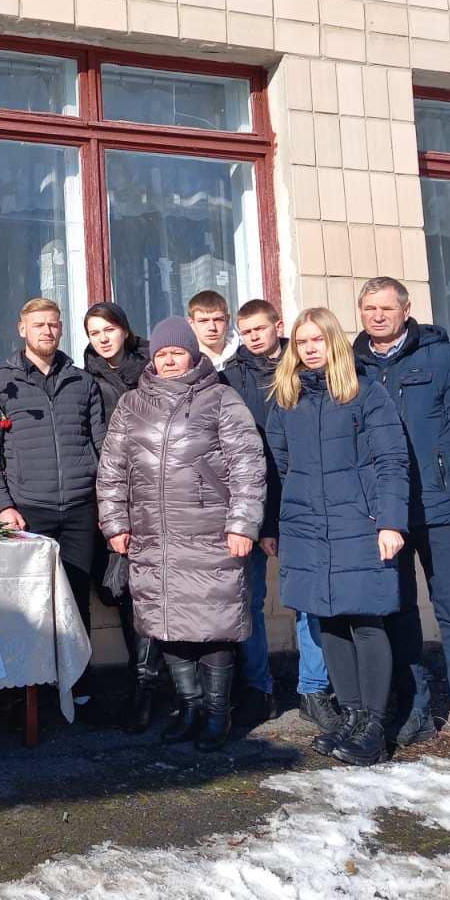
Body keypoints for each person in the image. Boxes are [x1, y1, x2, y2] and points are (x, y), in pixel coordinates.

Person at [95, 316, 267, 751]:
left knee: (213, 623)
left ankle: (217, 714)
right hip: (152, 534)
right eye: (162, 354)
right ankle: (189, 708)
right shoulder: (132, 404)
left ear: (192, 354)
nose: (169, 360)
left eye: (177, 352)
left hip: (210, 531)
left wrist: (243, 524)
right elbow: (112, 470)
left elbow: (248, 466)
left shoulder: (220, 398)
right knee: (167, 621)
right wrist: (115, 523)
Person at [354, 277, 450, 760]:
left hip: (443, 508)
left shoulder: (446, 358)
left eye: (386, 308)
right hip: (386, 513)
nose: (378, 316)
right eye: (369, 308)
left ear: (406, 309)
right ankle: (415, 706)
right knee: (396, 611)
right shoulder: (351, 365)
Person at [267, 307, 410, 766]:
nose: (310, 349)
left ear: (334, 343)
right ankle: (351, 716)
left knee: (366, 620)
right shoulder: (286, 401)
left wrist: (390, 522)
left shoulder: (366, 394)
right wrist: (273, 525)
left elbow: (392, 461)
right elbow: (277, 469)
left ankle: (374, 727)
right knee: (328, 620)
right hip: (307, 527)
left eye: (318, 340)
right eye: (302, 342)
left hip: (358, 524)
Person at [0, 297, 108, 703]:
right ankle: (27, 695)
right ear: (22, 329)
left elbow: (102, 446)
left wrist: (106, 501)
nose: (46, 331)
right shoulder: (1, 384)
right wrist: (3, 506)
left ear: (61, 329)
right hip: (28, 509)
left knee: (77, 599)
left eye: (53, 324)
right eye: (38, 325)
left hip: (80, 509)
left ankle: (78, 687)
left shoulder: (81, 382)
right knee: (29, 606)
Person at [220, 299, 335, 733]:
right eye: (245, 330)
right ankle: (258, 689)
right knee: (248, 602)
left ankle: (313, 689)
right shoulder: (229, 378)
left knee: (309, 600)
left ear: (277, 325)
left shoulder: (304, 367)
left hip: (302, 501)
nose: (253, 337)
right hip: (250, 504)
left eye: (260, 328)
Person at [82, 301, 157, 732]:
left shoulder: (154, 369)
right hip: (115, 497)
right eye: (95, 332)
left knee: (160, 592)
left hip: (161, 495)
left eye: (109, 329)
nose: (103, 338)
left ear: (125, 330)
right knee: (123, 592)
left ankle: (157, 691)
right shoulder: (86, 378)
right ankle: (141, 686)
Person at [187, 290, 237, 368]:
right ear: (191, 323)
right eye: (203, 321)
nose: (212, 327)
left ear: (227, 321)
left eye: (218, 320)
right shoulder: (184, 366)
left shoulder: (247, 360)